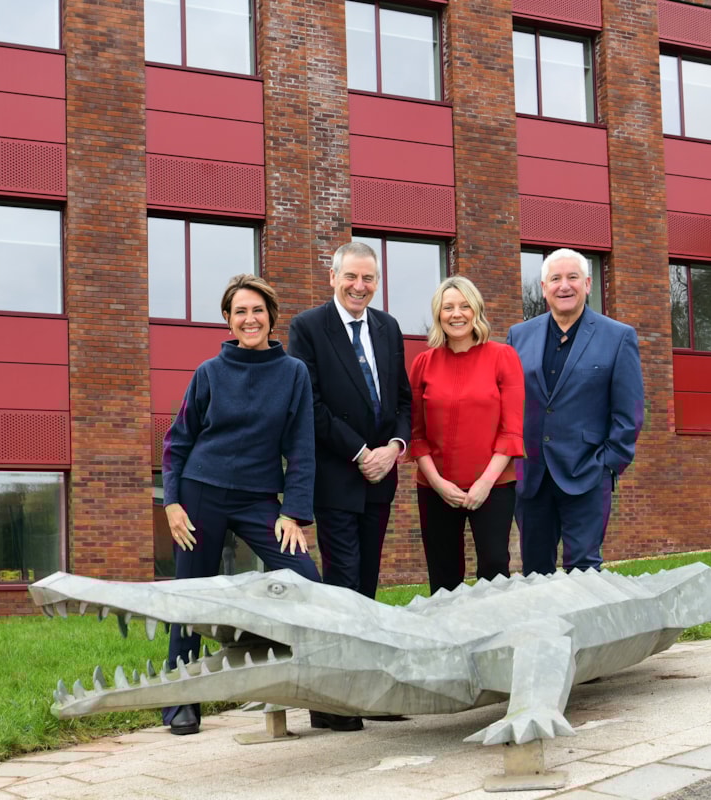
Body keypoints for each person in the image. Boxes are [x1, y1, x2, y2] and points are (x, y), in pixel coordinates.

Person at [160, 273, 321, 736]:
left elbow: (302, 446)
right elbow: (178, 442)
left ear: (271, 317)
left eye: (257, 310)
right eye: (240, 312)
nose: (249, 319)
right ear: (228, 321)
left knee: (305, 579)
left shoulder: (294, 373)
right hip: (200, 493)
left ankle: (300, 683)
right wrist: (172, 503)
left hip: (258, 500)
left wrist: (293, 512)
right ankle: (182, 700)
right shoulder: (209, 373)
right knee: (192, 594)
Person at [287, 241, 412, 732]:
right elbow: (310, 405)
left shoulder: (388, 328)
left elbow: (401, 398)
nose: (360, 287)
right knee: (342, 586)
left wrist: (395, 447)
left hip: (381, 478)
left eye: (369, 279)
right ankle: (332, 702)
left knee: (368, 586)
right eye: (351, 277)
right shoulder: (308, 328)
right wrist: (361, 452)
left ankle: (368, 690)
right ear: (333, 277)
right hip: (338, 476)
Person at [506, 248, 644, 575]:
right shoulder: (519, 336)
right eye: (555, 279)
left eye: (572, 278)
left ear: (588, 284)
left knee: (584, 571)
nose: (564, 286)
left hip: (587, 472)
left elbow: (630, 413)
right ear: (543, 287)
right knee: (534, 572)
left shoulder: (618, 337)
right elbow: (509, 404)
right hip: (532, 477)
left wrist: (608, 465)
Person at [408, 276, 524, 593]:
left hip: (494, 485)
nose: (456, 314)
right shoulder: (422, 363)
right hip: (436, 487)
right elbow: (416, 434)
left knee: (494, 567)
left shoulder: (503, 357)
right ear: (438, 314)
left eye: (464, 306)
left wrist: (485, 483)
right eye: (448, 307)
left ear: (476, 311)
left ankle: (495, 639)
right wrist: (438, 483)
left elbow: (511, 430)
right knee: (443, 575)